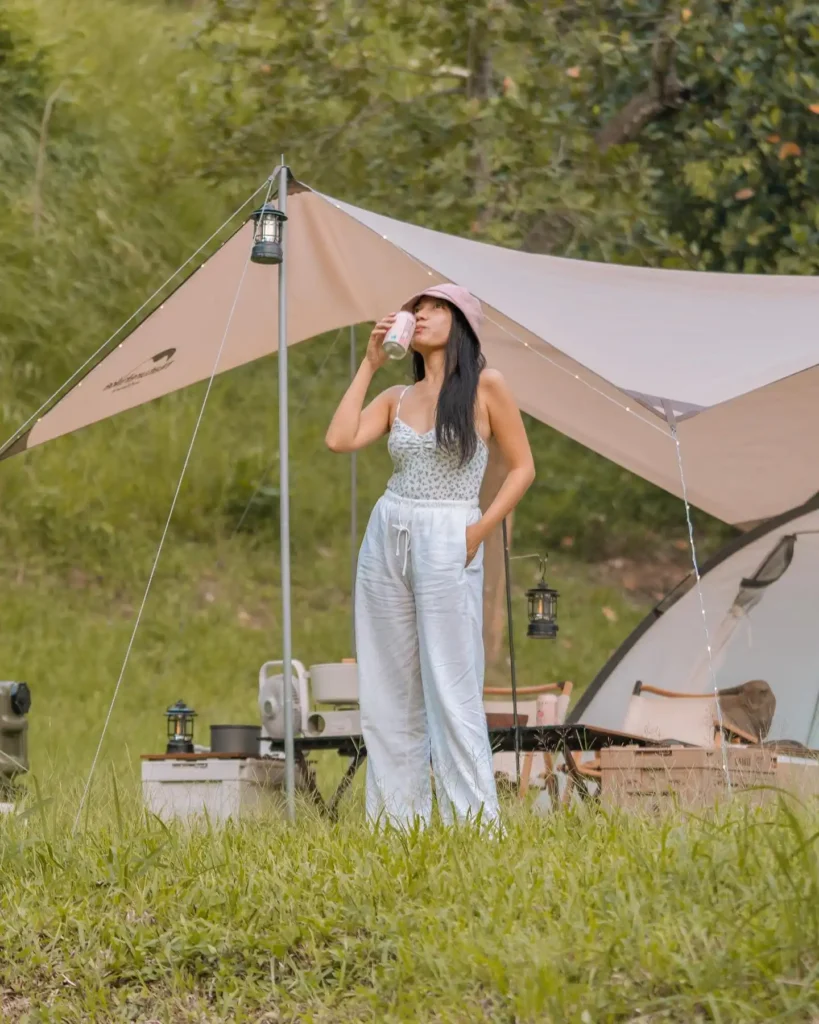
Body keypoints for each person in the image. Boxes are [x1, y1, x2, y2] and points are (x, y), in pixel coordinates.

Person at [325, 284, 535, 828]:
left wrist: (479, 531)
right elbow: (339, 438)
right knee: (388, 682)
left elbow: (522, 468)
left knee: (450, 680)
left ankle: (474, 825)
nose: (420, 316)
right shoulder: (397, 396)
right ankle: (398, 824)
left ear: (460, 322)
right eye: (415, 309)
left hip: (451, 528)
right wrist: (369, 365)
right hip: (389, 527)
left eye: (434, 308)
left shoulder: (487, 386)